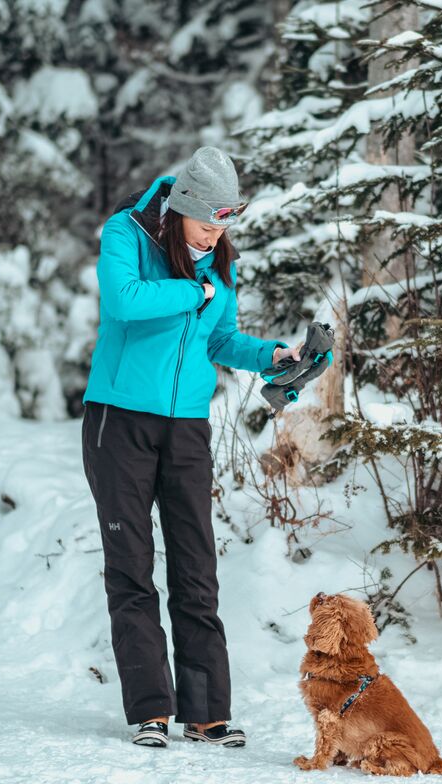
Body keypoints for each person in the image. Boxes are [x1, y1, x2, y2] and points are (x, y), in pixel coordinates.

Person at [82, 146, 297, 748]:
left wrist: (272, 356)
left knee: (197, 566)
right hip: (119, 419)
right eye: (207, 223)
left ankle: (205, 713)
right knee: (132, 568)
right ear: (179, 209)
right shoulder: (125, 233)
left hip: (186, 428)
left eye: (225, 222)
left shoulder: (220, 258)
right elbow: (124, 299)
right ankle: (151, 709)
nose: (215, 234)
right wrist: (191, 291)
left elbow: (220, 338)